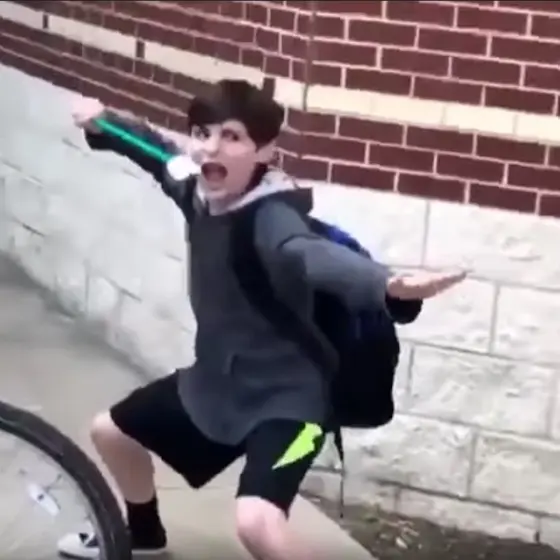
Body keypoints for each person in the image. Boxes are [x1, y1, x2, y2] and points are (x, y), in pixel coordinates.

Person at [58, 79, 466, 559]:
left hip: (296, 409)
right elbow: (155, 151)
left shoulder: (273, 218)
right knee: (111, 433)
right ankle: (145, 536)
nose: (212, 147)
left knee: (257, 523)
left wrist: (387, 284)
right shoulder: (195, 187)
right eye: (203, 133)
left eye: (232, 136)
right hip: (218, 388)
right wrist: (104, 123)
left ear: (265, 152)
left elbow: (309, 254)